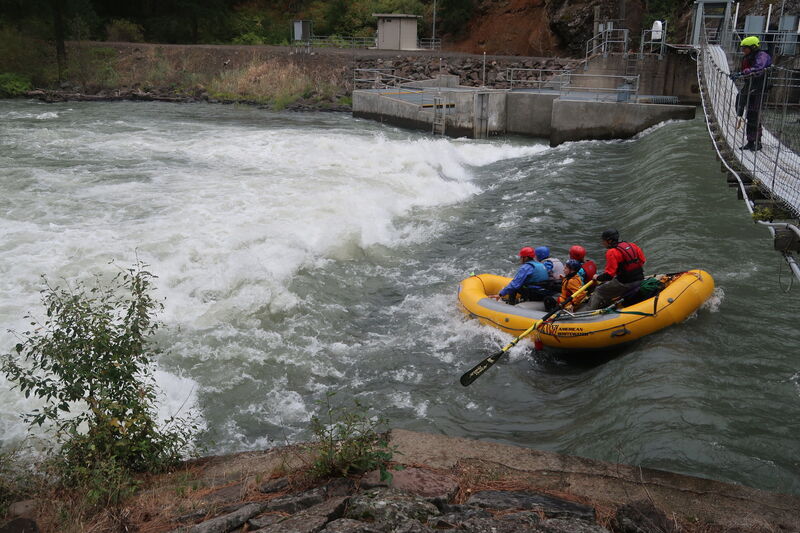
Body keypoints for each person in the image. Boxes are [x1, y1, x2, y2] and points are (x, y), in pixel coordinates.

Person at [587, 229, 646, 310]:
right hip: (640, 278)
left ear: (609, 241)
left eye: (603, 241)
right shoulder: (632, 245)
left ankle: (589, 312)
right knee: (611, 283)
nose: (602, 243)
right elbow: (642, 261)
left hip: (626, 283)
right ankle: (608, 304)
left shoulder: (612, 252)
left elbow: (609, 276)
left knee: (599, 291)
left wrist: (597, 277)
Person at [731, 36, 772, 151]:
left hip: (759, 89)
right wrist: (738, 74)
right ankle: (750, 142)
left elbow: (759, 68)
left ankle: (757, 143)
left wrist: (743, 73)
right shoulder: (749, 56)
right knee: (749, 114)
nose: (743, 50)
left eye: (745, 48)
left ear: (753, 47)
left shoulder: (762, 56)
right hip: (750, 87)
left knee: (755, 115)